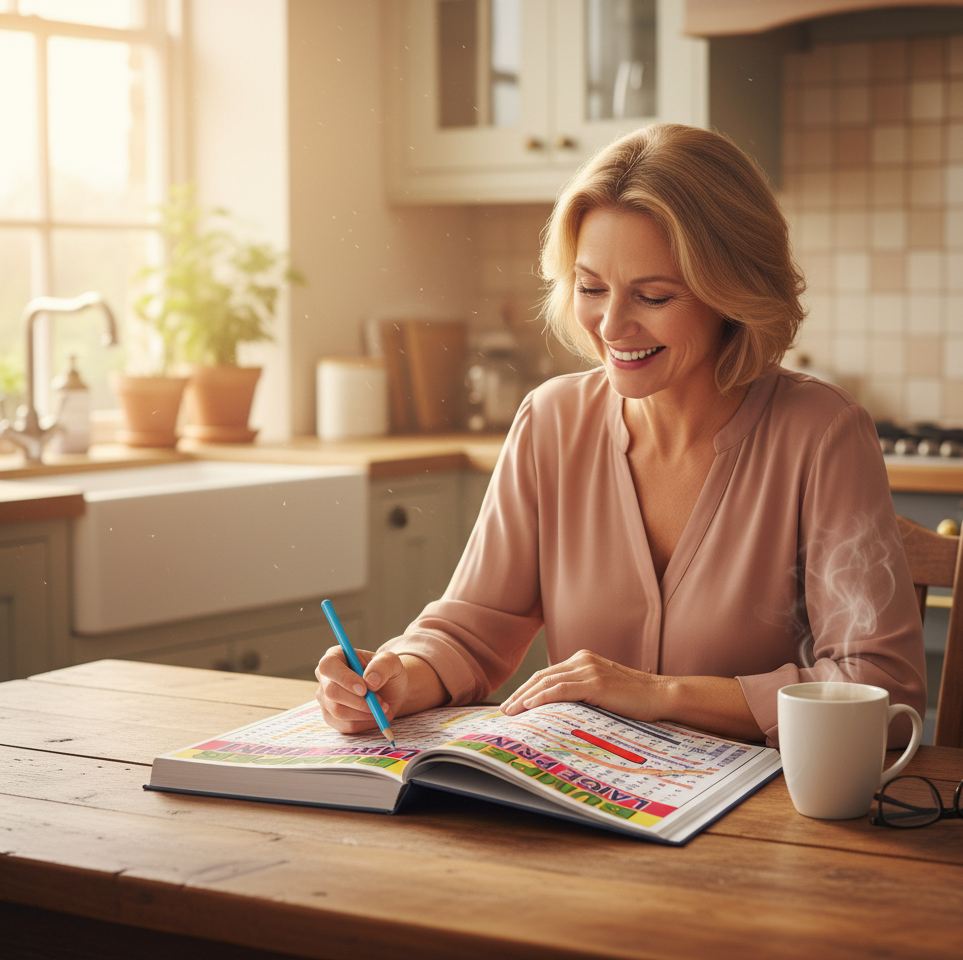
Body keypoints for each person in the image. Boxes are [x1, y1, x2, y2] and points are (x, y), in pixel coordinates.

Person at [316, 123, 926, 748]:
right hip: (595, 822)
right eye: (591, 288)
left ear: (733, 294)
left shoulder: (822, 435)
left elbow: (879, 688)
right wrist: (398, 680)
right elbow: (471, 633)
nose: (611, 325)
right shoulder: (549, 423)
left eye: (654, 295)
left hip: (764, 823)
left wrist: (657, 694)